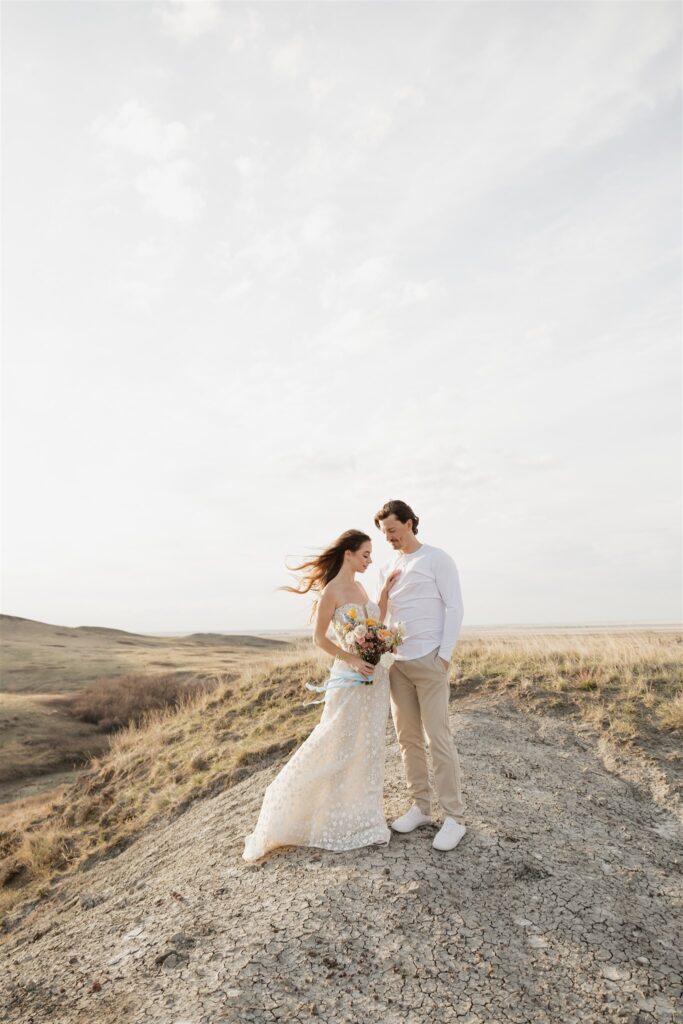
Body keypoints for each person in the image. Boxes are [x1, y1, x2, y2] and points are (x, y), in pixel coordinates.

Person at [243, 529, 400, 863]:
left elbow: (376, 624)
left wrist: (384, 594)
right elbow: (320, 639)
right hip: (349, 677)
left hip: (375, 679)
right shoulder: (332, 591)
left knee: (368, 745)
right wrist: (354, 659)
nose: (370, 561)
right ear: (348, 553)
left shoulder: (359, 587)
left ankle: (364, 818)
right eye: (365, 555)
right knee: (337, 743)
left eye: (371, 556)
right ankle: (305, 809)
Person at [374, 499, 467, 852]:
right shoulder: (387, 567)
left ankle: (454, 817)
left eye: (393, 531)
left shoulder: (437, 559)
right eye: (384, 534)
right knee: (407, 738)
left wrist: (443, 657)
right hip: (398, 664)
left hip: (429, 661)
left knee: (437, 738)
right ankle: (421, 807)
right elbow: (383, 615)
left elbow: (454, 606)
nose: (389, 539)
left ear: (411, 523)